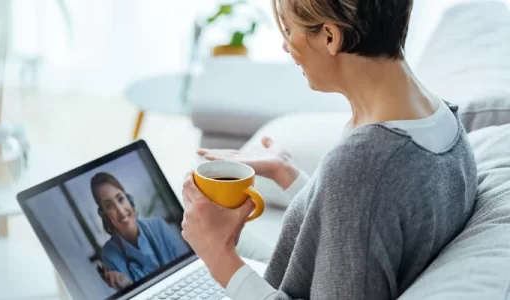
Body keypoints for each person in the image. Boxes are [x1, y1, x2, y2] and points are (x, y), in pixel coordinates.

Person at [180, 0, 478, 299]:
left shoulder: (365, 163)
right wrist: (286, 173)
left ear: (330, 37)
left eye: (287, 29)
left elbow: (362, 192)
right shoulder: (440, 118)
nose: (286, 46)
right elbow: (361, 223)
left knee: (183, 237)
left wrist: (219, 256)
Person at [90, 172, 190, 290]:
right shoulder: (110, 254)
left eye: (121, 199)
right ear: (104, 215)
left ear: (129, 199)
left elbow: (188, 268)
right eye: (109, 206)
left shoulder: (158, 226)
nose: (121, 211)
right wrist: (127, 286)